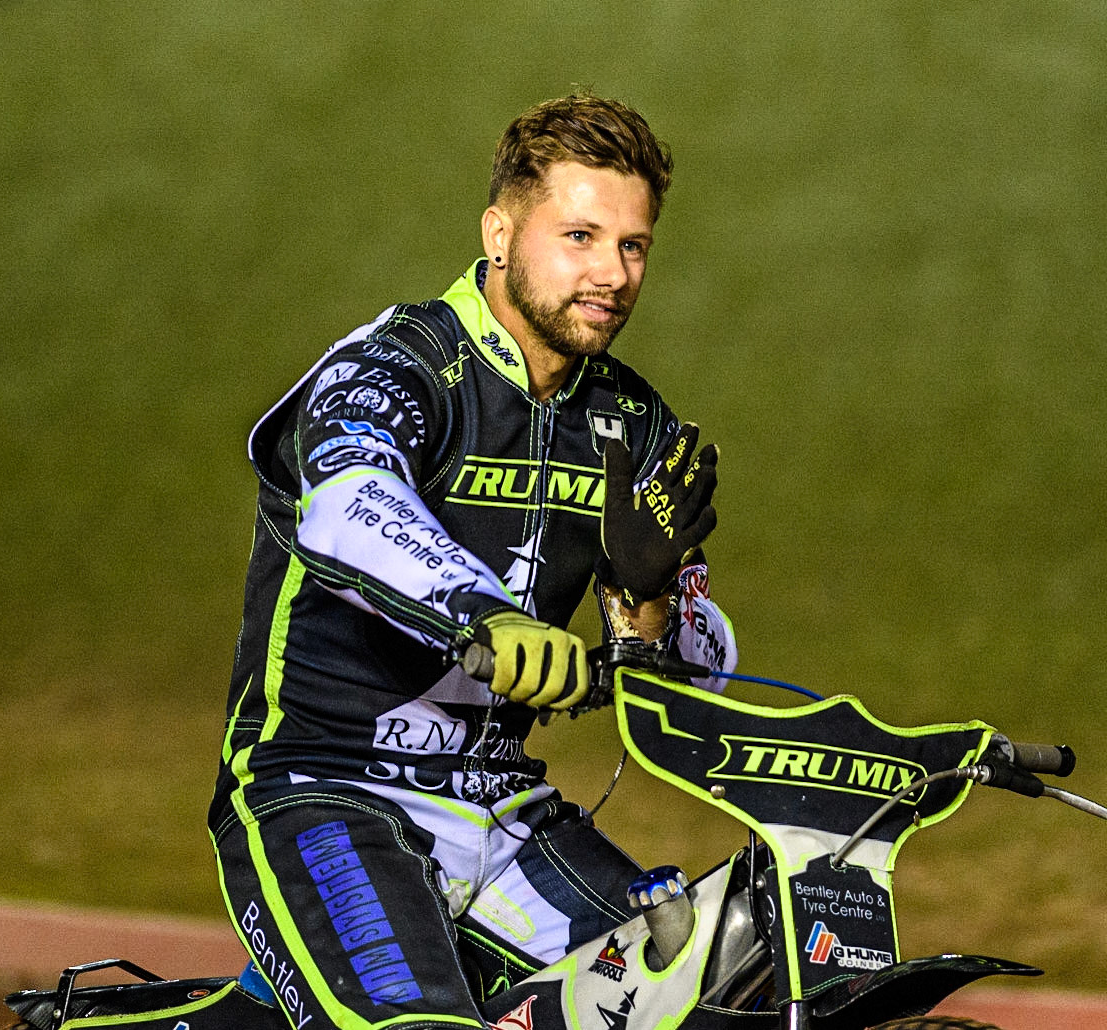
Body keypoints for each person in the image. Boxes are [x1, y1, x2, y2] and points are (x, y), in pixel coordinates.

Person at [208, 92, 737, 1030]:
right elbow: (352, 507)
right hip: (326, 790)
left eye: (633, 245)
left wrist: (651, 599)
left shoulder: (634, 424)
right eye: (579, 236)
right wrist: (483, 616)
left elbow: (696, 680)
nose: (611, 274)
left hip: (505, 810)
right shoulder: (394, 366)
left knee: (703, 1005)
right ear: (500, 233)